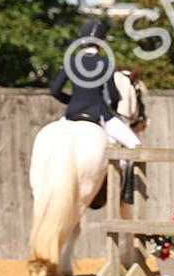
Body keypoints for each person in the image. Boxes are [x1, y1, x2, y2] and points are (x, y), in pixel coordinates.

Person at [50, 19, 140, 202]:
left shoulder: (71, 61)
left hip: (71, 115)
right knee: (135, 146)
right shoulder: (105, 63)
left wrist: (72, 101)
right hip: (98, 114)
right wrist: (112, 108)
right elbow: (114, 96)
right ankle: (127, 194)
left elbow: (54, 91)